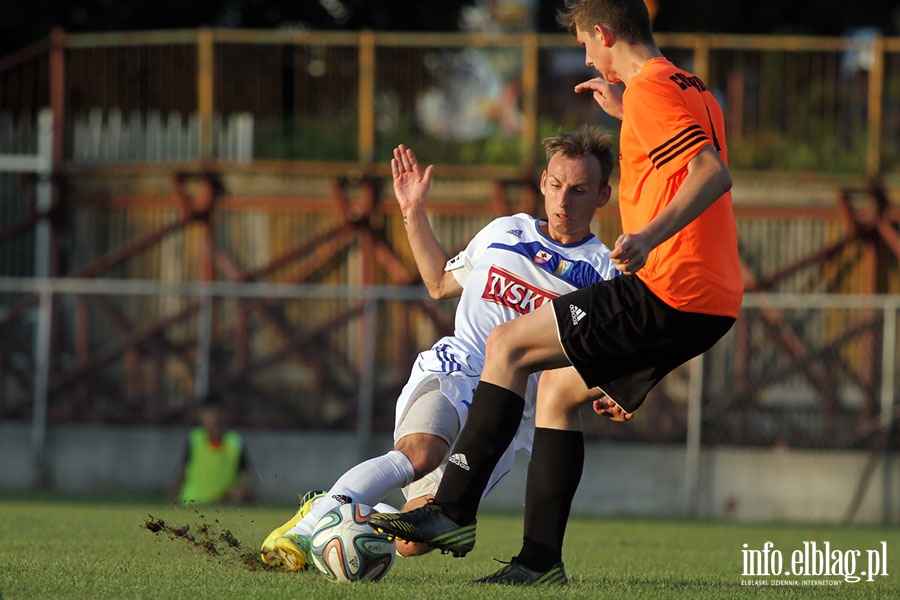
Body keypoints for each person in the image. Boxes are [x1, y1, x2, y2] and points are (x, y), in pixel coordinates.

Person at [369, 0, 744, 586]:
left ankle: (452, 510)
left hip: (671, 284)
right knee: (558, 395)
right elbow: (684, 158)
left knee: (510, 345)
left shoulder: (651, 91)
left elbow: (711, 173)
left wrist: (646, 235)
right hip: (709, 298)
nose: (587, 56)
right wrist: (627, 114)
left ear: (604, 33)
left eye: (585, 43)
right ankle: (539, 562)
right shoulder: (686, 84)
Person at [259, 124, 620, 571]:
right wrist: (412, 210)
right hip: (460, 368)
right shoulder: (505, 232)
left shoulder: (605, 271)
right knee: (420, 453)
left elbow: (611, 354)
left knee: (415, 537)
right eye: (557, 185)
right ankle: (308, 526)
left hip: (513, 411)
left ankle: (339, 508)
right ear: (543, 183)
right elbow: (437, 283)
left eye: (580, 190)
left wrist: (612, 390)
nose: (564, 201)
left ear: (603, 195)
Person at [173, 396, 255, 505]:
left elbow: (246, 474)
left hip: (223, 505)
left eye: (219, 413)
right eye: (210, 413)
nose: (215, 418)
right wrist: (174, 497)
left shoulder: (235, 441)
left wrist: (242, 490)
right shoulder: (194, 438)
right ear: (201, 416)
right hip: (192, 503)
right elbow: (183, 471)